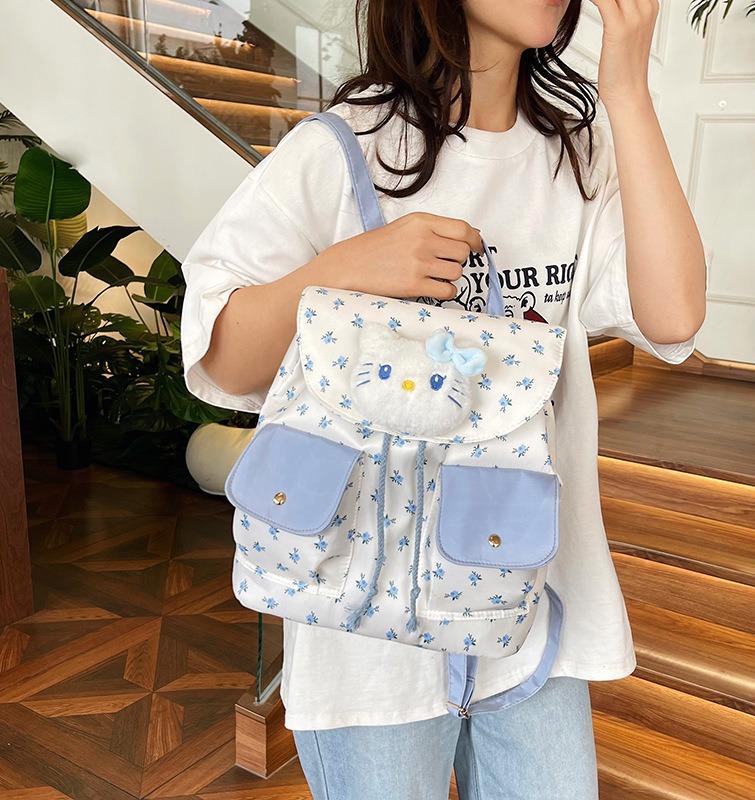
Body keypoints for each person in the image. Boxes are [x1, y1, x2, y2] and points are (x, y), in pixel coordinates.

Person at [180, 0, 708, 796]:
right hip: (365, 641)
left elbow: (673, 316)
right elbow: (223, 359)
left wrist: (627, 90)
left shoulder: (580, 155)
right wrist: (345, 270)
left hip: (529, 613)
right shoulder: (341, 149)